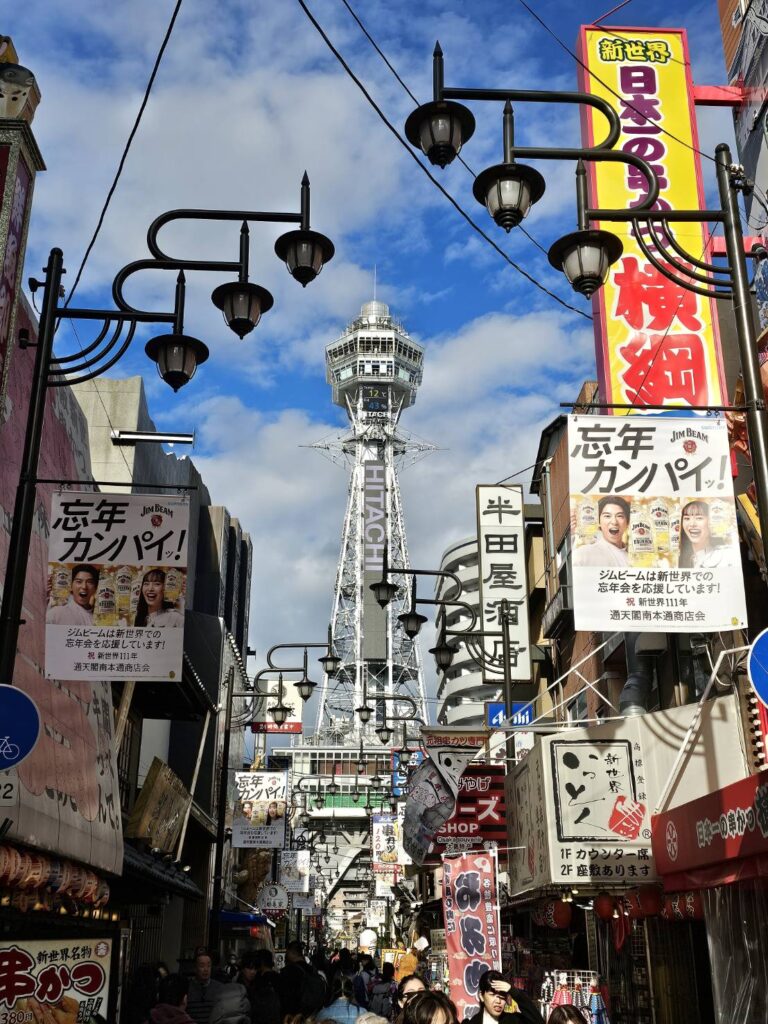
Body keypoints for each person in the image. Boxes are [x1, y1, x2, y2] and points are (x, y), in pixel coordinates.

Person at [461, 970, 543, 1024]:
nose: (498, 1001)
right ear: (481, 996)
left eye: (502, 996)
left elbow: (538, 1021)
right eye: (492, 995)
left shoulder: (514, 1021)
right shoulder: (470, 1023)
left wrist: (514, 992)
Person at [572, 497, 630, 568]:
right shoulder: (584, 554)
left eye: (620, 516)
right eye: (607, 516)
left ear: (627, 523)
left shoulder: (637, 558)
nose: (614, 522)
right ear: (598, 521)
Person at [277, 939, 327, 1017]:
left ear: (291, 952)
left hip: (293, 1016)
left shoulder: (288, 971)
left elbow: (284, 997)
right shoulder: (312, 969)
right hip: (311, 1015)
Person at [678, 500, 734, 568]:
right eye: (687, 518)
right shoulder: (684, 559)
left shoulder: (726, 556)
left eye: (699, 518)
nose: (692, 524)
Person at [186, 950, 228, 1024]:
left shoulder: (220, 988)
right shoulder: (186, 987)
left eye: (208, 966)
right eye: (202, 966)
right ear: (195, 968)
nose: (206, 969)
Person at [241, 949, 281, 1024]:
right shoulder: (237, 986)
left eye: (255, 969)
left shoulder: (260, 984)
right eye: (249, 968)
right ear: (243, 968)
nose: (253, 972)